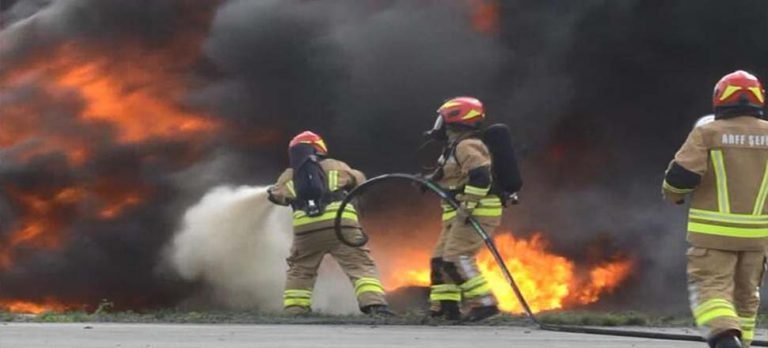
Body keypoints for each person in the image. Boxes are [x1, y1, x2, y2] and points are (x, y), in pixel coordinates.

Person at [662, 70, 768, 348]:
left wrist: (673, 196)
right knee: (747, 296)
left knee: (711, 291)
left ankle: (725, 341)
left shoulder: (708, 133)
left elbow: (680, 177)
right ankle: (741, 343)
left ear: (720, 98)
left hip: (712, 238)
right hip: (757, 239)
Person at [267, 131, 393, 316]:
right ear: (319, 148)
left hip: (306, 230)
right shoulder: (335, 165)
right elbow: (359, 181)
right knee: (359, 264)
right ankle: (375, 305)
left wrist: (274, 191)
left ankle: (295, 309)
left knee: (300, 269)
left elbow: (277, 196)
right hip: (341, 225)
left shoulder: (289, 175)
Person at [424, 96, 504, 322]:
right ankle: (446, 308)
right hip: (457, 214)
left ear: (454, 118)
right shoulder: (453, 148)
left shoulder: (467, 145)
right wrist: (427, 181)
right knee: (440, 260)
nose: (438, 124)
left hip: (476, 212)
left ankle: (485, 303)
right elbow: (451, 176)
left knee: (456, 258)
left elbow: (480, 176)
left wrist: (468, 205)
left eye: (442, 119)